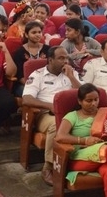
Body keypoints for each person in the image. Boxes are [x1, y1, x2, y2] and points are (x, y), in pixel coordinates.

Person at [21, 47, 80, 185]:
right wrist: (50, 106)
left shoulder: (71, 73)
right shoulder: (38, 75)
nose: (65, 61)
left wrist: (71, 77)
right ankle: (48, 166)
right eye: (61, 58)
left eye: (66, 58)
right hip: (46, 113)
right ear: (50, 60)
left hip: (71, 113)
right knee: (56, 125)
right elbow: (27, 99)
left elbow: (84, 94)